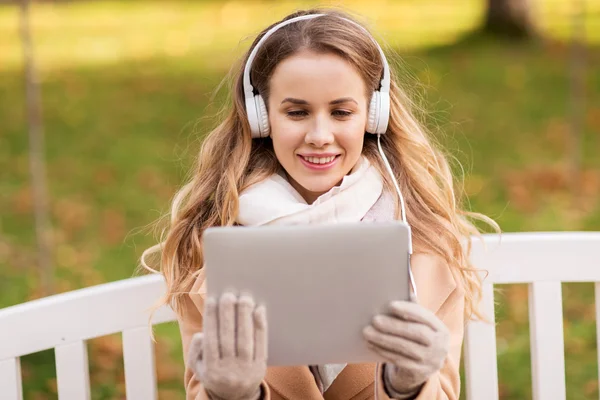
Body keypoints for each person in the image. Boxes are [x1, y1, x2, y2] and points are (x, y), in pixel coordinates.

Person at [142, 8, 497, 400]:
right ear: (261, 117)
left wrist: (409, 386)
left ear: (373, 116)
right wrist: (231, 394)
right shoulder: (214, 252)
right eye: (297, 112)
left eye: (341, 112)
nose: (320, 135)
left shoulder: (428, 248)